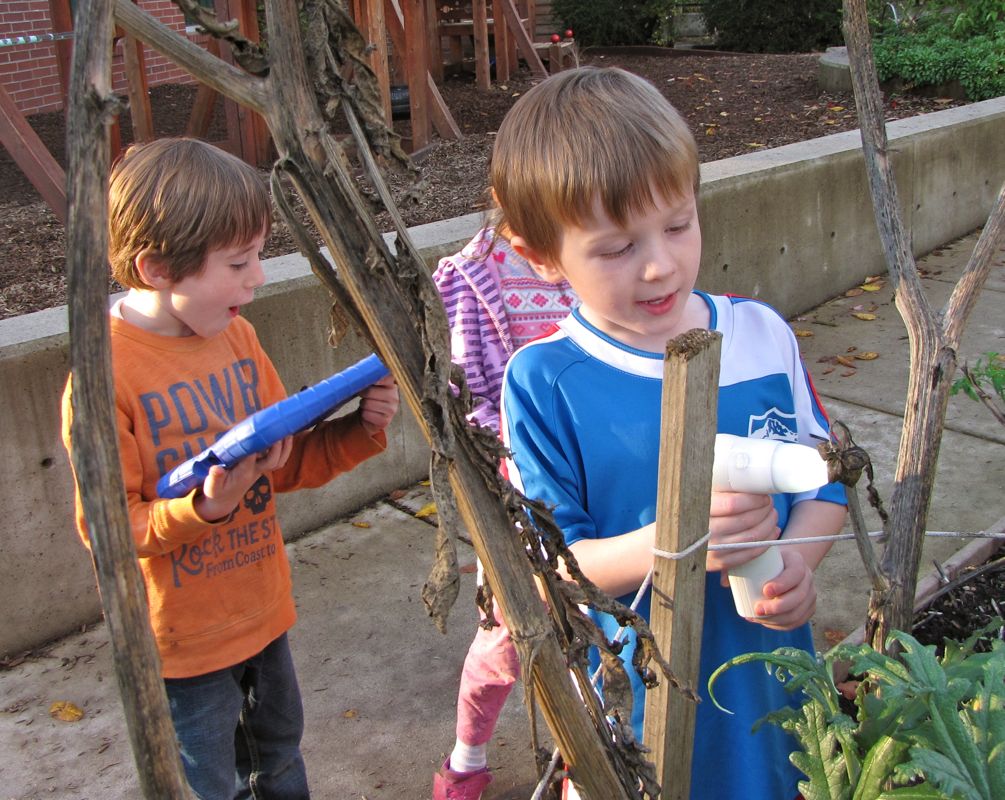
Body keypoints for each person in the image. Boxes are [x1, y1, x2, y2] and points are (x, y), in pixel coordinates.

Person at [493, 67, 848, 799]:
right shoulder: (545, 381)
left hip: (775, 691)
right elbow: (550, 568)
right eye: (616, 248)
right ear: (538, 254)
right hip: (644, 709)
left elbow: (822, 481)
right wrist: (677, 541)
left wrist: (796, 563)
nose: (659, 264)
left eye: (679, 224)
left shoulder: (757, 334)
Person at [60, 137, 399, 800]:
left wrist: (360, 429)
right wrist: (206, 508)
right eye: (239, 262)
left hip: (262, 612)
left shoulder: (237, 336)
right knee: (208, 782)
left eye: (258, 257)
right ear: (158, 269)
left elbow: (286, 460)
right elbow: (109, 530)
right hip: (182, 644)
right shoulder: (104, 379)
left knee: (278, 757)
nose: (258, 278)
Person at [431, 224, 577, 799]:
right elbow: (468, 403)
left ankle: (584, 751)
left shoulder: (596, 251)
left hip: (596, 485)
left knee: (593, 631)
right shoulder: (473, 279)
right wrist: (529, 463)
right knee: (505, 637)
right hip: (520, 495)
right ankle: (466, 759)